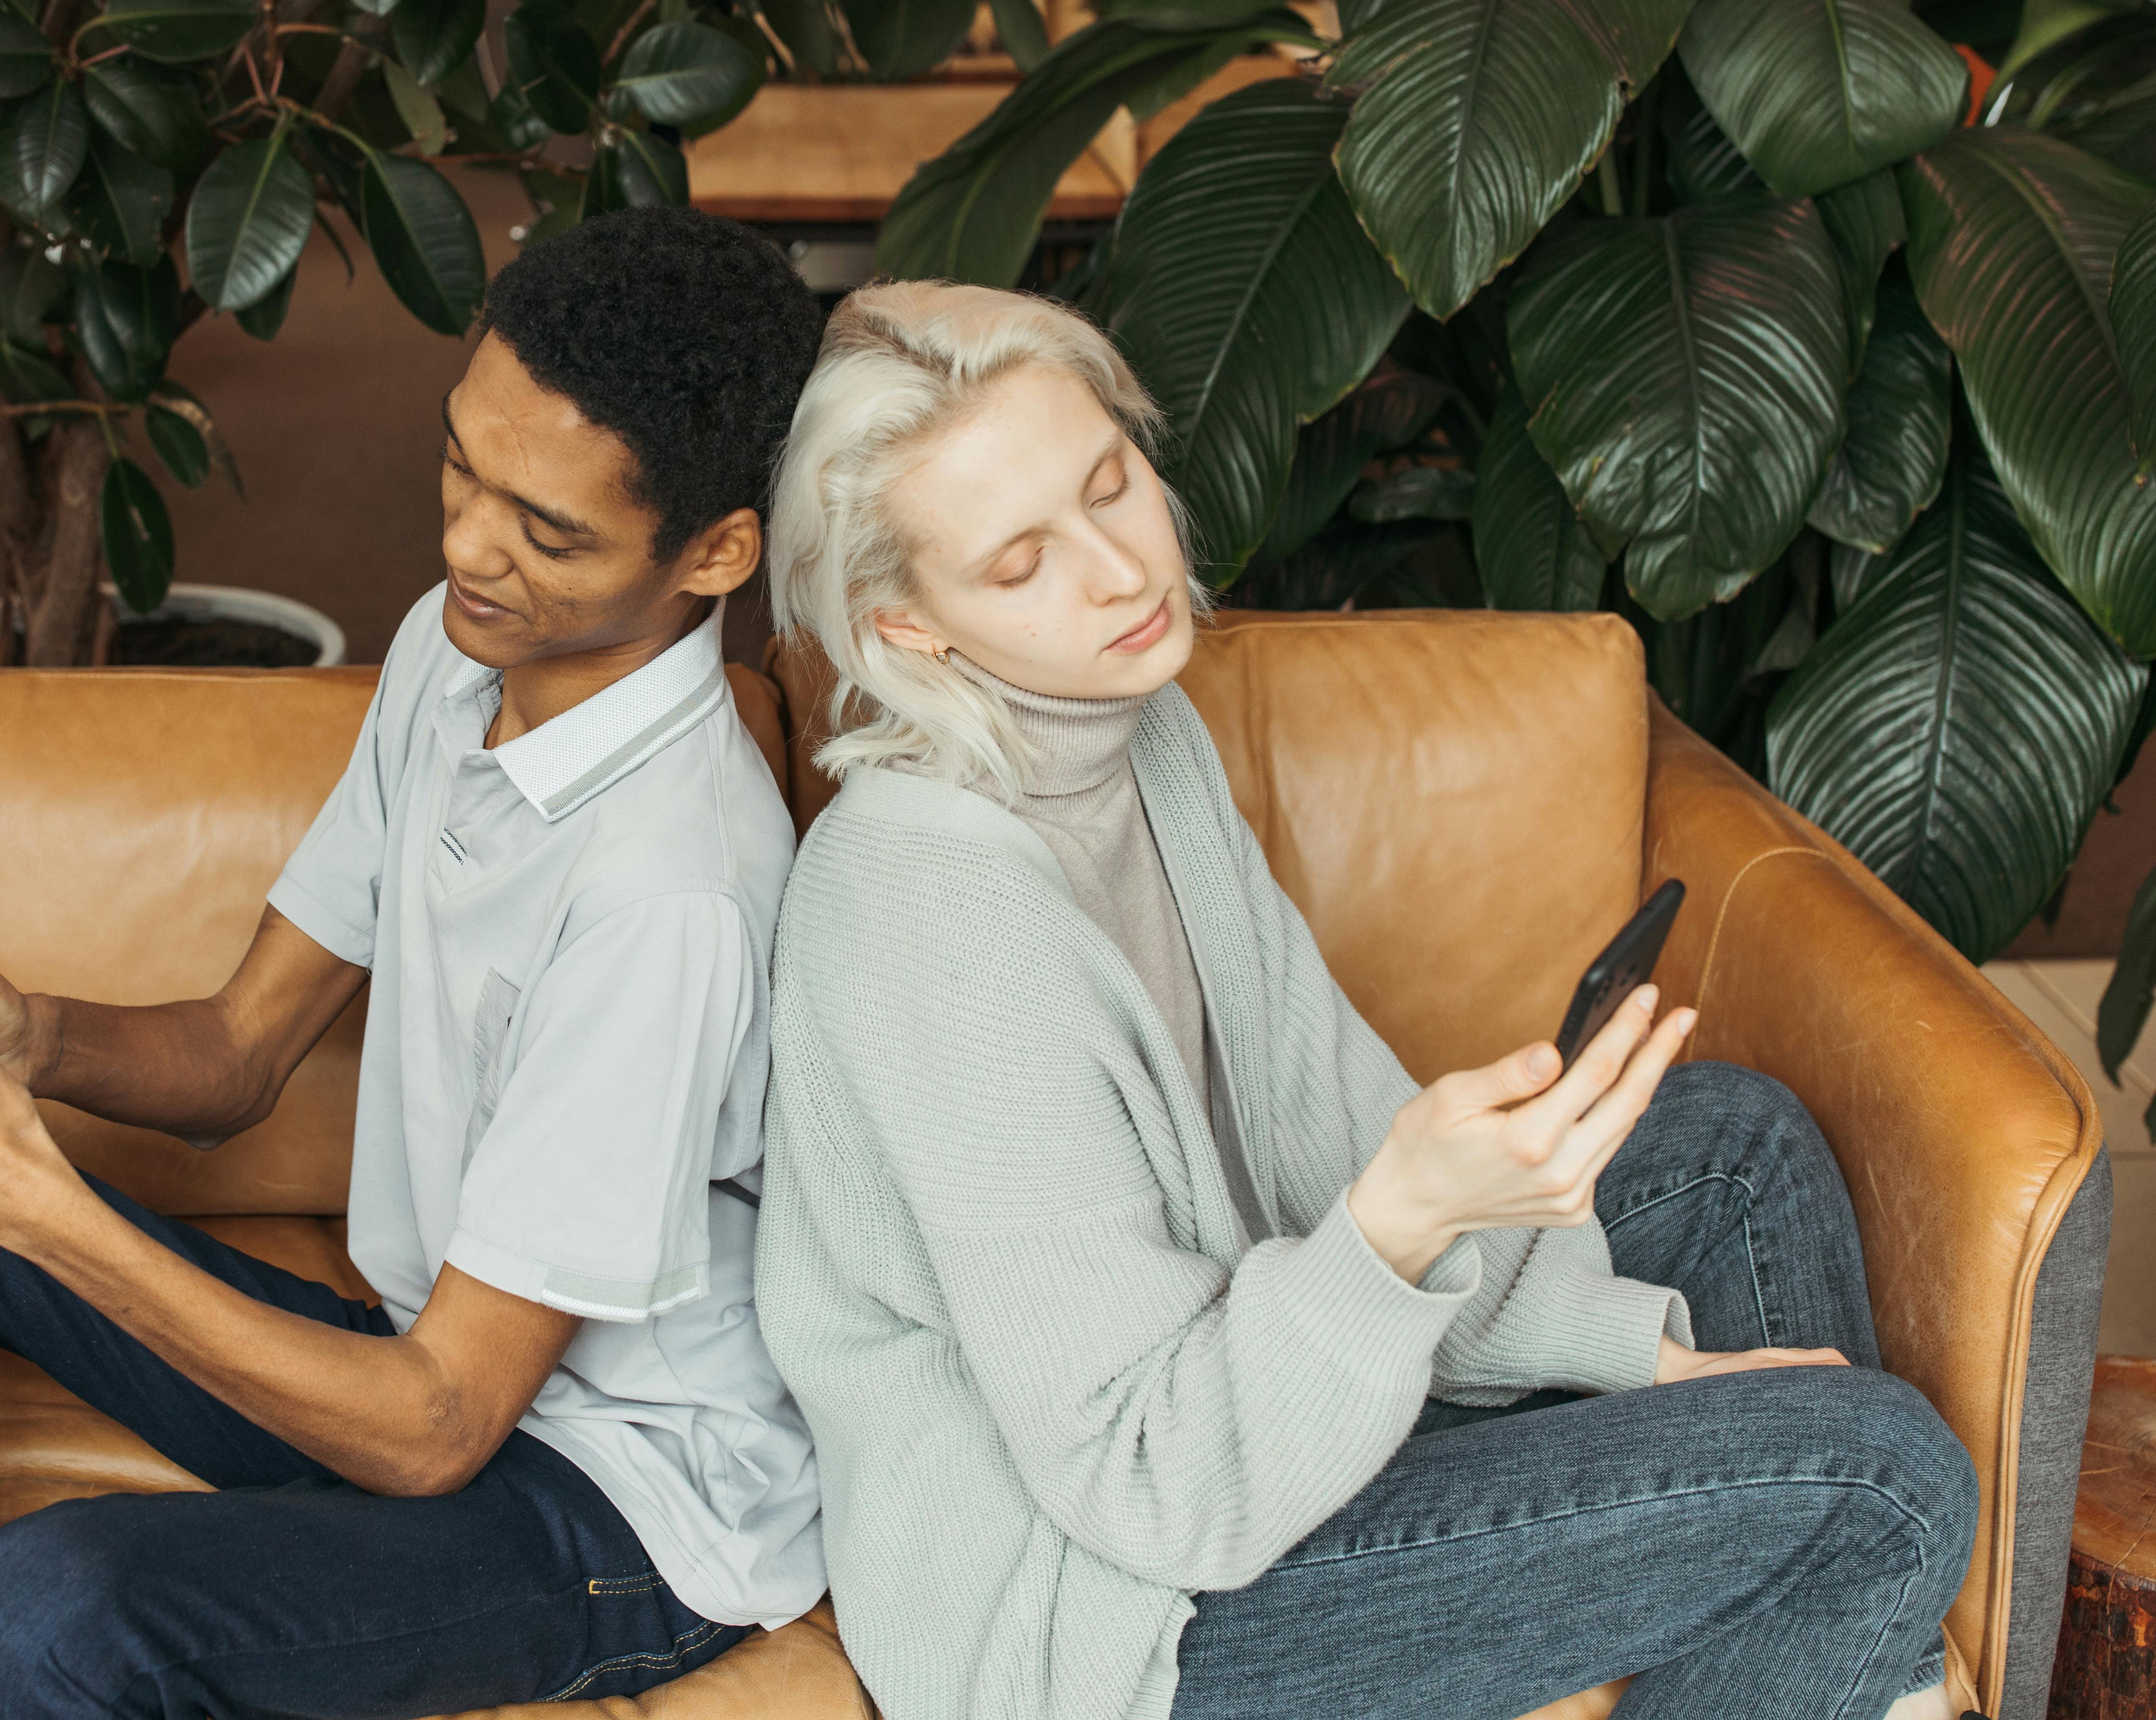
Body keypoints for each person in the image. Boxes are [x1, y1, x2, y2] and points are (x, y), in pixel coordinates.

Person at [753, 281, 1977, 1720]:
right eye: (1021, 563)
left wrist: (1645, 1353)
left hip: (1256, 1384)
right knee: (1881, 1478)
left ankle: (1862, 1687)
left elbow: (1318, 1145)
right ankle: (1867, 1672)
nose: (1118, 570)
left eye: (1112, 483)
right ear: (912, 633)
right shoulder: (931, 915)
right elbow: (1153, 1483)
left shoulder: (1140, 740)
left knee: (1734, 1142)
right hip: (1116, 1607)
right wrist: (1404, 1218)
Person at [0, 205, 831, 1718]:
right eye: (463, 464)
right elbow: (240, 1055)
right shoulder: (457, 661)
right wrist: (26, 1040)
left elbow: (442, 1428)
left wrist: (27, 1194)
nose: (465, 545)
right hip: (416, 1367)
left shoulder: (671, 894)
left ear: (715, 552)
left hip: (615, 1504)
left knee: (49, 1619)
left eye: (549, 530)